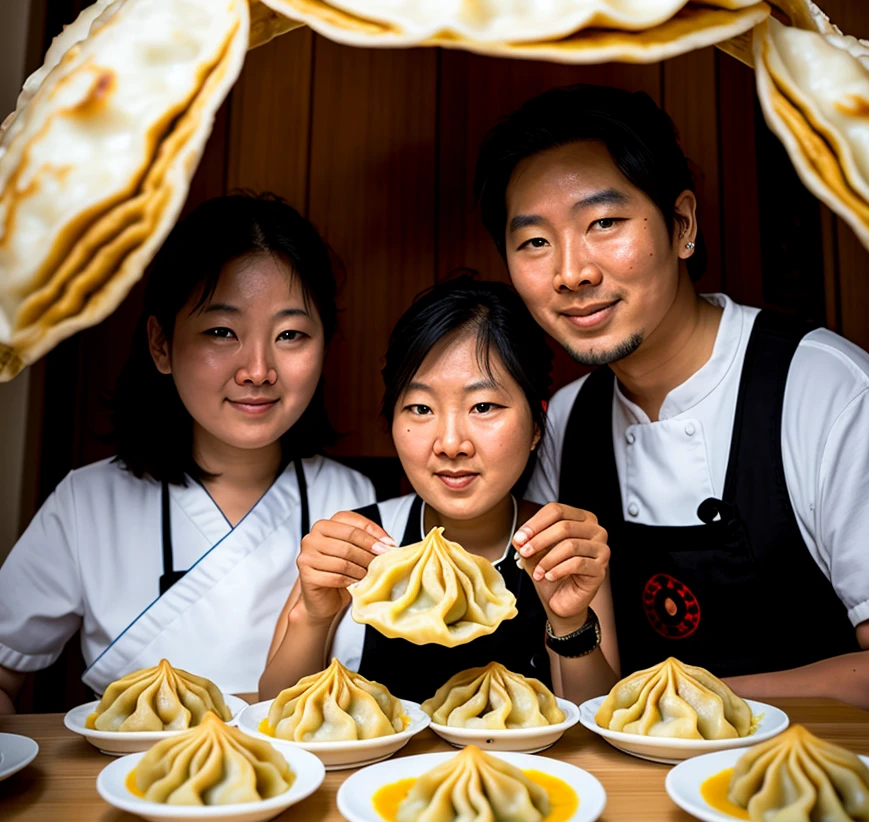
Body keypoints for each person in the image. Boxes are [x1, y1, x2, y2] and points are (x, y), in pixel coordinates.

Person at [473, 83, 869, 725]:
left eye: (604, 223)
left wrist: (688, 701)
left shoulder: (823, 387)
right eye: (535, 242)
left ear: (683, 224)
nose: (571, 272)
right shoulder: (566, 420)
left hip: (826, 795)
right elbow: (580, 679)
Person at [0, 194, 375, 712]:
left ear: (324, 348)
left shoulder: (352, 499)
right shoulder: (87, 502)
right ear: (161, 345)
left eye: (290, 334)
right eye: (222, 331)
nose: (258, 370)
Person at [260, 278, 618, 704]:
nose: (450, 443)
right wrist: (313, 615)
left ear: (537, 426)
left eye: (483, 406)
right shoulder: (361, 540)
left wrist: (570, 619)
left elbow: (597, 722)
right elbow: (271, 710)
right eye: (421, 408)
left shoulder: (561, 544)